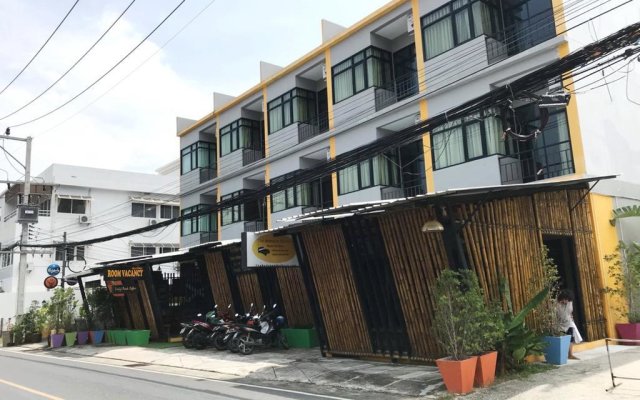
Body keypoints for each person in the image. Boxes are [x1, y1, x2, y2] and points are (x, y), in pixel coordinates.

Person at [556, 289, 583, 360]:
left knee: (571, 338)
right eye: (565, 299)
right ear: (562, 298)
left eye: (568, 300)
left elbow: (570, 311)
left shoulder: (570, 302)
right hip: (559, 324)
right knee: (561, 339)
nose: (567, 301)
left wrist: (571, 318)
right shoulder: (556, 304)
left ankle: (570, 355)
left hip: (569, 322)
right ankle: (561, 355)